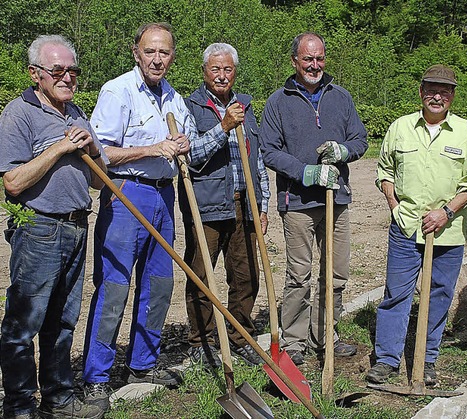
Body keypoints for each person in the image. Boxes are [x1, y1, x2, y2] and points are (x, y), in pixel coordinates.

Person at [82, 23, 218, 411]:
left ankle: (143, 364)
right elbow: (100, 152)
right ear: (136, 52)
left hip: (165, 196)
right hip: (127, 194)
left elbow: (185, 145)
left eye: (165, 52)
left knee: (158, 285)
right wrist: (152, 148)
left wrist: (183, 144)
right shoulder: (117, 91)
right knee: (115, 288)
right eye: (150, 51)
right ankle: (97, 377)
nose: (157, 59)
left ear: (173, 56)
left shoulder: (174, 98)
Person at [0, 35, 107, 419]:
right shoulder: (19, 113)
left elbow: (99, 180)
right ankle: (18, 406)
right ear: (35, 74)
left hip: (78, 227)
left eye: (72, 71)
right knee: (24, 322)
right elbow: (12, 181)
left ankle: (58, 401)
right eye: (57, 70)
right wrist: (59, 149)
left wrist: (92, 149)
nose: (67, 77)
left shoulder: (77, 113)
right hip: (40, 230)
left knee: (62, 322)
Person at [365, 64, 467, 386]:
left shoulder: (466, 132)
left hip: (447, 231)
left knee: (439, 295)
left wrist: (446, 212)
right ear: (421, 92)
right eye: (431, 89)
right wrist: (394, 205)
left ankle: (426, 357)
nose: (437, 96)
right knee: (396, 293)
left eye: (444, 90)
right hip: (405, 228)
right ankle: (388, 358)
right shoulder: (401, 128)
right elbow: (384, 171)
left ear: (452, 96)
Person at [260, 32, 368, 365]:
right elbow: (269, 151)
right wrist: (307, 172)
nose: (315, 65)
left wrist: (344, 150)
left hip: (337, 200)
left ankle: (325, 335)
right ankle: (294, 340)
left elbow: (361, 139)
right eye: (308, 59)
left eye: (319, 58)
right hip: (298, 204)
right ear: (295, 61)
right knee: (299, 275)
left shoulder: (341, 97)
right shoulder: (279, 101)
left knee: (335, 273)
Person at [179, 42, 269, 369]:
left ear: (235, 72)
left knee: (246, 276)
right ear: (204, 71)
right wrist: (223, 128)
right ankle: (201, 343)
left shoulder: (244, 105)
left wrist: (263, 205)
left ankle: (239, 335)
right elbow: (190, 157)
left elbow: (255, 158)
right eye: (215, 69)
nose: (221, 75)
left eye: (227, 69)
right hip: (206, 205)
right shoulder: (190, 106)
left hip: (244, 204)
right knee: (203, 277)